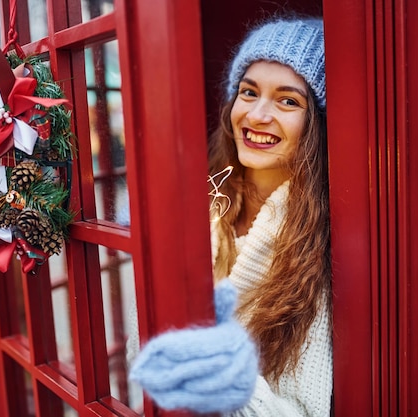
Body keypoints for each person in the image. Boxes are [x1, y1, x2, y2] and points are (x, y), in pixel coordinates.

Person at [130, 16, 331, 416]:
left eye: (288, 100)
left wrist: (233, 386)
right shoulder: (196, 205)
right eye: (248, 92)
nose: (256, 115)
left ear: (319, 124)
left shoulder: (325, 243)